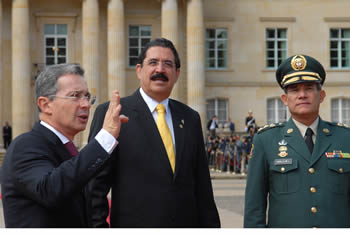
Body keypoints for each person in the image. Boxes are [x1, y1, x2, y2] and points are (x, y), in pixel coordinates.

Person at [87, 38, 220, 228]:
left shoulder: (190, 118)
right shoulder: (113, 113)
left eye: (168, 64)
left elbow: (203, 190)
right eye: (153, 63)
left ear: (177, 73)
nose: (160, 70)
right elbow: (95, 188)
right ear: (139, 70)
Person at [1, 64, 128, 227]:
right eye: (75, 96)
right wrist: (105, 137)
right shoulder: (25, 146)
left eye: (87, 97)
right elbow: (50, 190)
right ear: (45, 105)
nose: (86, 105)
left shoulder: (68, 150)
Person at [244, 54, 350, 228]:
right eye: (294, 90)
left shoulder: (345, 138)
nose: (302, 95)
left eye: (309, 88)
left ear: (321, 95)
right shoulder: (266, 140)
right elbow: (254, 208)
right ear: (285, 99)